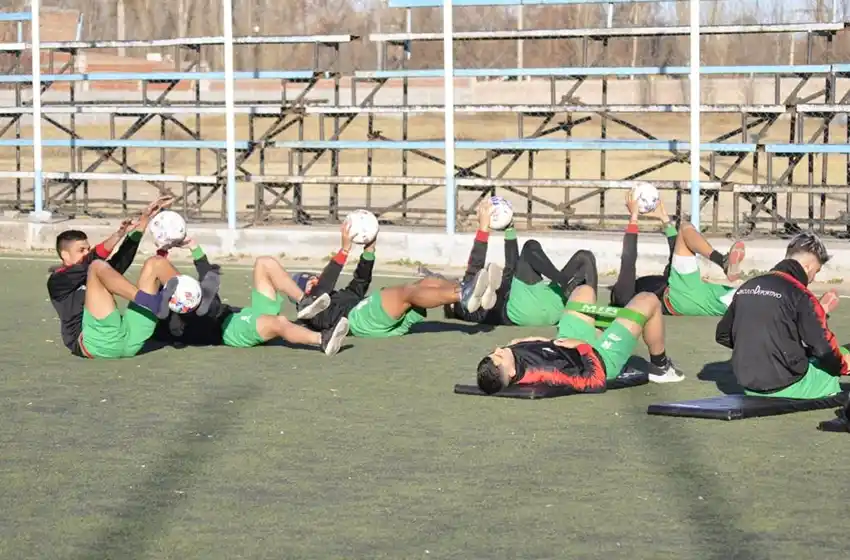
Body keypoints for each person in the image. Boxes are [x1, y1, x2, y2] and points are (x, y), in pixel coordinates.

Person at [47, 197, 221, 359]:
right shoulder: (58, 282)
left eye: (87, 249)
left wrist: (144, 219)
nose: (86, 253)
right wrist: (118, 234)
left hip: (130, 340)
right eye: (81, 250)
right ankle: (151, 302)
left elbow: (123, 258)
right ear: (65, 255)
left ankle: (195, 305)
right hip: (95, 343)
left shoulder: (96, 274)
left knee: (156, 263)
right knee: (97, 266)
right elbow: (93, 262)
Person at [290, 226, 501, 338]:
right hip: (357, 319)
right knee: (406, 292)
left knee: (428, 281)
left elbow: (360, 282)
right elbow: (324, 285)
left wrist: (369, 250)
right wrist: (344, 250)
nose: (316, 280)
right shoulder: (311, 310)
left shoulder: (336, 297)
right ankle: (463, 296)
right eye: (310, 282)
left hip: (364, 314)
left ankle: (469, 290)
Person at [476, 283, 684, 394]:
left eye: (494, 353)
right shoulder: (545, 374)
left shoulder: (512, 358)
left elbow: (529, 350)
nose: (498, 350)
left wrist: (538, 342)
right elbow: (595, 382)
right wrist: (584, 347)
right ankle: (661, 367)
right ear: (511, 372)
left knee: (583, 291)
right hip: (598, 359)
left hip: (568, 343)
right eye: (499, 357)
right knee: (648, 300)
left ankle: (610, 332)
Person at [715, 232, 845, 399]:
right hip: (786, 385)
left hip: (747, 385)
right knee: (834, 363)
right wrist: (841, 366)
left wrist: (757, 348)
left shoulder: (748, 286)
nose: (812, 279)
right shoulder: (801, 294)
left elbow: (722, 335)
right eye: (816, 272)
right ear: (808, 267)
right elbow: (824, 351)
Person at [437, 199, 598, 326]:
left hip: (549, 307)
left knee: (584, 256)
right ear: (452, 306)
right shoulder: (464, 299)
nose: (458, 282)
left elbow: (511, 268)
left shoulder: (475, 305)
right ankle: (566, 286)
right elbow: (476, 266)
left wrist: (510, 228)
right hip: (519, 309)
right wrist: (483, 229)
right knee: (531, 247)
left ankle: (588, 308)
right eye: (456, 283)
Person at [610, 192, 746, 317]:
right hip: (684, 295)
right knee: (685, 229)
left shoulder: (634, 295)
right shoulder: (629, 295)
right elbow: (629, 261)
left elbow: (631, 261)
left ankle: (723, 261)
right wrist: (644, 219)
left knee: (685, 229)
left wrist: (652, 218)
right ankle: (722, 261)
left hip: (689, 293)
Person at [219, 255, 349, 355]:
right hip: (232, 328)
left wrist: (197, 250)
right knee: (280, 322)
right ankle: (323, 340)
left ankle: (305, 301)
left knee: (264, 262)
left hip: (242, 313)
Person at [152, 239, 235, 347]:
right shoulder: (209, 306)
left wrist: (162, 251)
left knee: (155, 294)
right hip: (208, 333)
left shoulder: (166, 316)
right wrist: (193, 246)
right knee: (215, 304)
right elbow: (205, 271)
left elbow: (156, 275)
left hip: (174, 334)